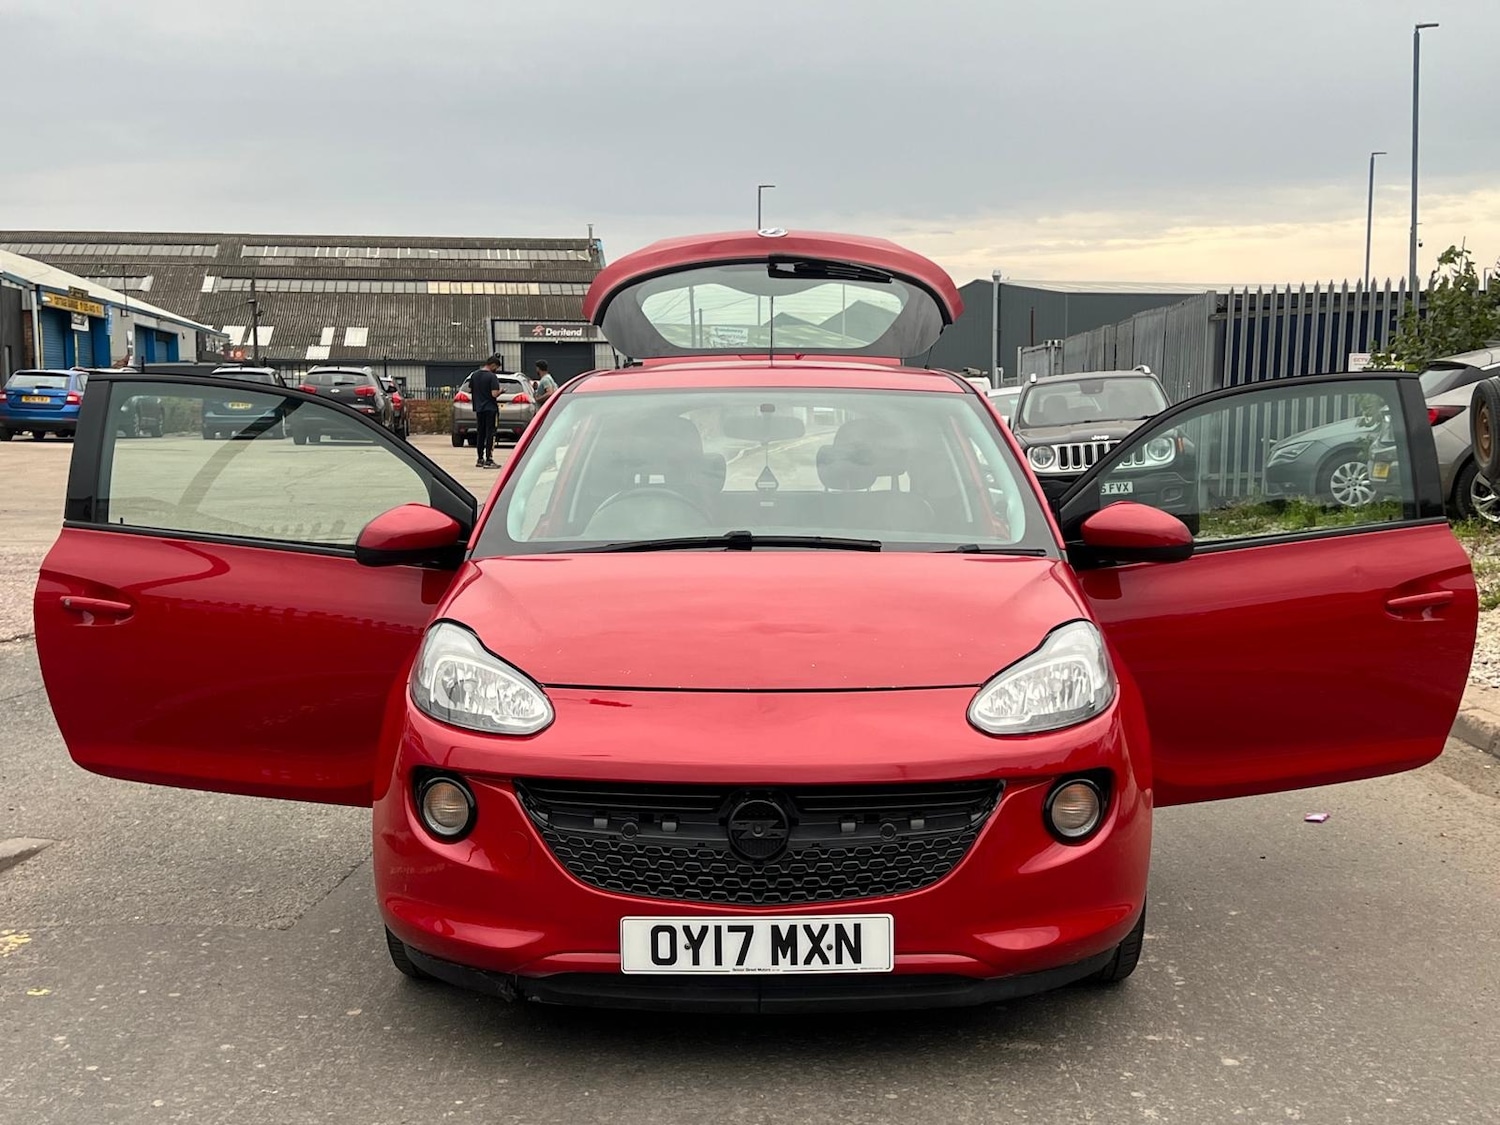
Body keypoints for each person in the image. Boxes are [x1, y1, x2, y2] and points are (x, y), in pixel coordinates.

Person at [469, 354, 504, 468]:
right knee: (490, 433)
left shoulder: (474, 375)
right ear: (493, 365)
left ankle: (480, 458)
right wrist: (501, 391)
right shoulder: (492, 377)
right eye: (496, 368)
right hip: (490, 408)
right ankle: (489, 458)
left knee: (480, 433)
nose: (496, 370)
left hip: (479, 408)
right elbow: (494, 394)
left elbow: (470, 389)